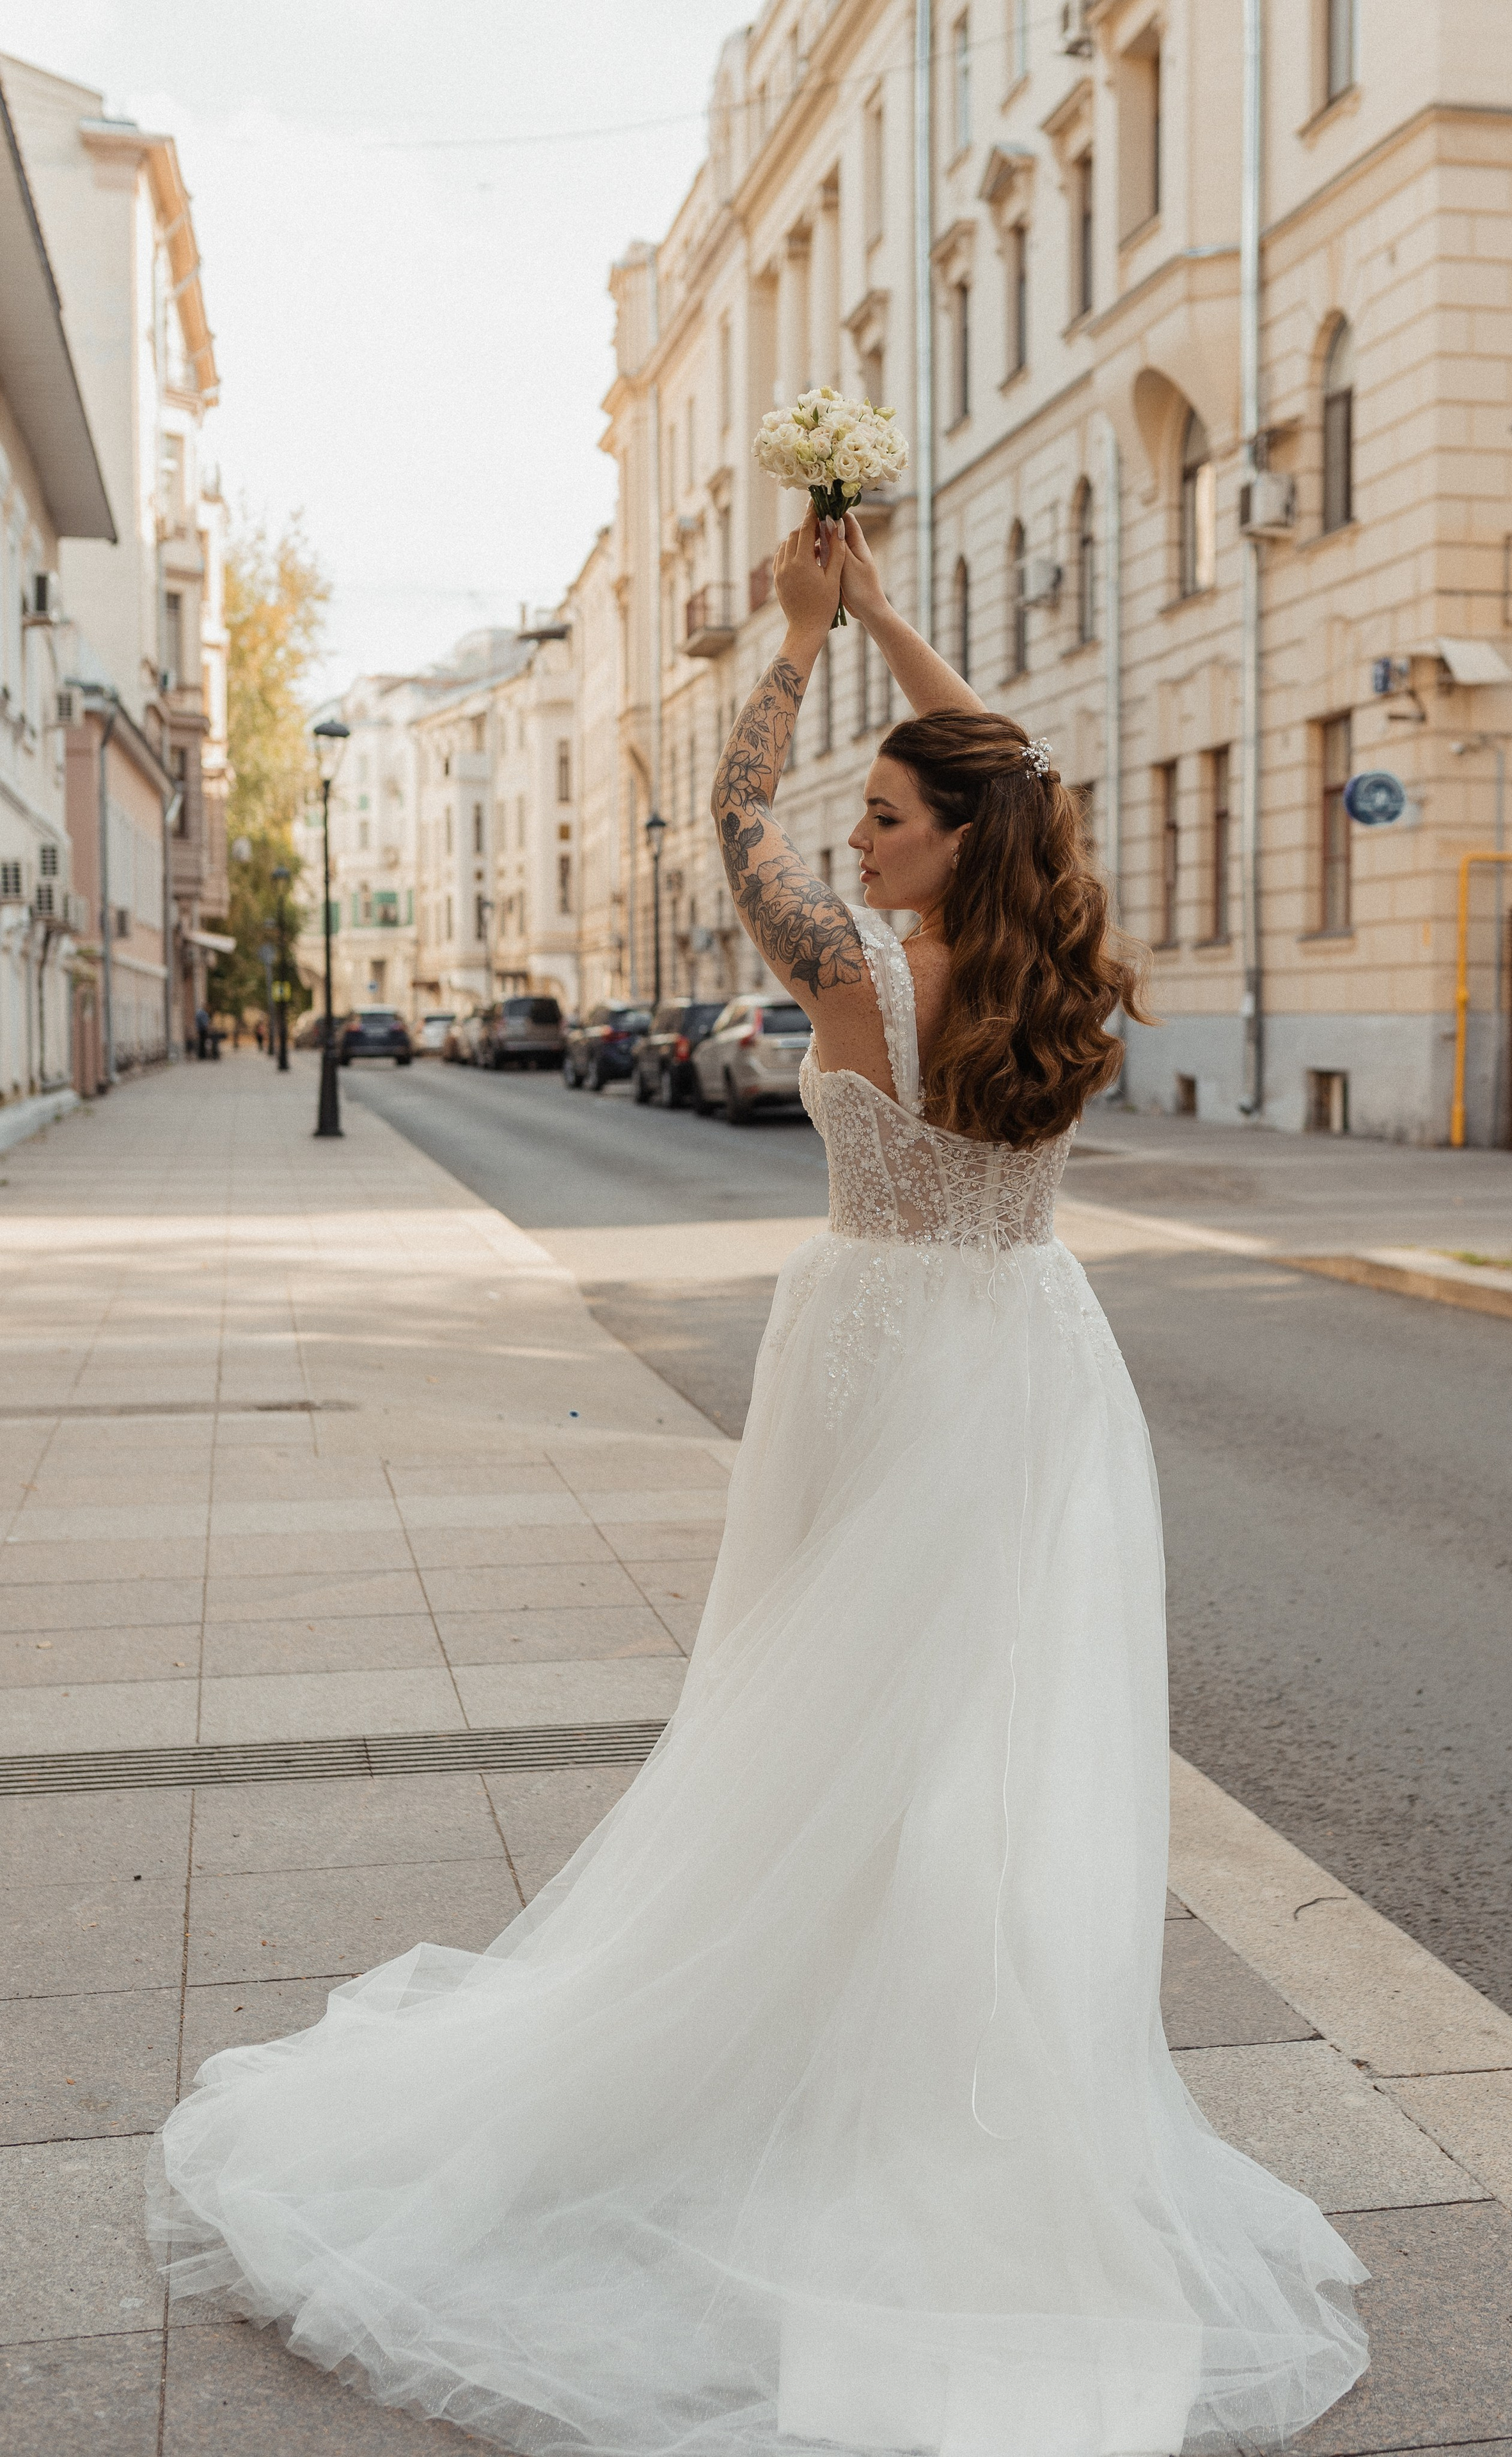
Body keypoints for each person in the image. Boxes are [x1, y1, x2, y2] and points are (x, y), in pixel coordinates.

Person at [147, 508, 1368, 2456]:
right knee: (969, 1733)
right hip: (1032, 1360)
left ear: (946, 843)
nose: (856, 839)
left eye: (885, 817)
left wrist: (801, 643)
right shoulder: (1050, 961)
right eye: (860, 818)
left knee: (813, 1720)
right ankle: (940, 2048)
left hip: (878, 1361)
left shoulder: (861, 973)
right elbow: (1025, 777)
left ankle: (817, 2046)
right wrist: (886, 613)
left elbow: (733, 821)